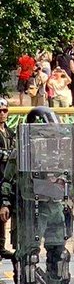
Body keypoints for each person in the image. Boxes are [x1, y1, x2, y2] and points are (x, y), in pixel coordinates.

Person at [0, 107, 74, 284]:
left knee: (59, 251)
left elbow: (71, 177)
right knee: (29, 254)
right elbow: (7, 180)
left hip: (54, 205)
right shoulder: (23, 152)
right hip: (30, 207)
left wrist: (70, 196)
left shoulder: (59, 151)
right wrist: (5, 203)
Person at [0, 99, 13, 259]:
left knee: (3, 215)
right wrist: (10, 155)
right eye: (0, 111)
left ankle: (1, 247)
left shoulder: (9, 132)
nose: (2, 113)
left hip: (6, 178)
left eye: (4, 110)